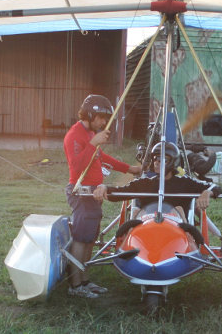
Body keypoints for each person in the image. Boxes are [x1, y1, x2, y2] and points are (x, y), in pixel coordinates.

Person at [63, 94, 141, 299]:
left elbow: (101, 157)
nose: (104, 122)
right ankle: (75, 285)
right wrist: (92, 144)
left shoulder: (89, 134)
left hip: (94, 194)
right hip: (81, 193)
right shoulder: (74, 135)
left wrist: (130, 169)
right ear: (89, 114)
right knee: (80, 239)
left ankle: (85, 281)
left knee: (90, 239)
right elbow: (77, 167)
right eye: (101, 117)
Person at [94, 141, 221, 219]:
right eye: (155, 158)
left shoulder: (185, 182)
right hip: (148, 230)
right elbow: (120, 192)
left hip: (177, 231)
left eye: (163, 159)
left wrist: (207, 192)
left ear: (174, 162)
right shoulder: (145, 183)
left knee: (179, 209)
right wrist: (105, 187)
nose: (157, 162)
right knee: (136, 211)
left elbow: (214, 187)